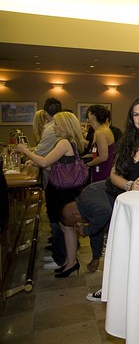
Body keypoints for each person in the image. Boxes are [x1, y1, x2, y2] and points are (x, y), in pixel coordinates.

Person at [18, 111, 87, 275]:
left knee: (66, 227)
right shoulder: (71, 142)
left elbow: (44, 162)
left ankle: (71, 263)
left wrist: (25, 150)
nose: (53, 127)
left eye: (56, 124)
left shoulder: (63, 142)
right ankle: (70, 261)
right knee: (66, 227)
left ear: (63, 125)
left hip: (61, 192)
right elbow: (59, 167)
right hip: (67, 190)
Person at [59, 181, 113, 278]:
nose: (77, 225)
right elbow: (97, 230)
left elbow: (104, 212)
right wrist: (95, 258)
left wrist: (86, 231)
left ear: (75, 215)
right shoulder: (85, 201)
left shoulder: (88, 201)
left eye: (75, 224)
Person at [85, 105, 116, 183]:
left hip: (103, 169)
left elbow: (103, 157)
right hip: (101, 167)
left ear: (93, 116)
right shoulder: (102, 130)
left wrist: (87, 165)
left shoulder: (100, 132)